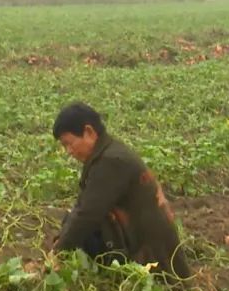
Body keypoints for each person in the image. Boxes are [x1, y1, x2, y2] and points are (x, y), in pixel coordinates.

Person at [51, 102, 191, 279]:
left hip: (154, 257)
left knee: (83, 232)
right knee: (71, 223)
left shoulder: (111, 162)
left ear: (89, 132)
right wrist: (60, 241)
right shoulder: (106, 152)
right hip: (139, 240)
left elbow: (88, 214)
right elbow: (84, 204)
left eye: (69, 144)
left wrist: (59, 253)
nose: (68, 151)